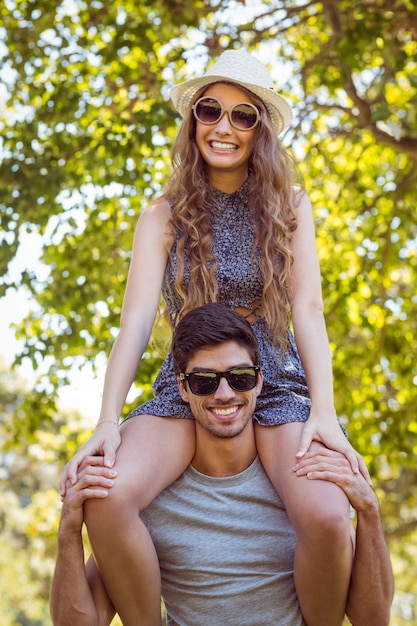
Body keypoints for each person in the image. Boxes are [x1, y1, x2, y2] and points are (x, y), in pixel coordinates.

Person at [59, 49, 368, 625]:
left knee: (328, 517)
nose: (224, 127)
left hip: (272, 380)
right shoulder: (163, 214)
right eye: (210, 110)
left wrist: (323, 412)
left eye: (243, 115)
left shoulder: (290, 206)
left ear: (261, 129)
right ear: (193, 120)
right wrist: (107, 421)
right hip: (193, 383)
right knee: (105, 498)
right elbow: (135, 322)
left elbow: (308, 307)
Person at [51, 305, 394, 626]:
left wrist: (369, 512)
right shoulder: (151, 499)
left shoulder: (301, 487)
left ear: (259, 381)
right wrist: (68, 531)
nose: (224, 394)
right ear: (183, 389)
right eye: (205, 381)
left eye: (240, 377)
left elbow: (373, 618)